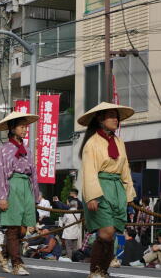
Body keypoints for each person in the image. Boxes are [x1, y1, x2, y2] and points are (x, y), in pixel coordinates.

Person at [78, 102, 137, 278]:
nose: (115, 119)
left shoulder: (119, 141)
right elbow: (89, 171)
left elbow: (125, 168)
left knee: (111, 234)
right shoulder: (92, 143)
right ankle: (95, 270)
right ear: (100, 119)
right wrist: (92, 196)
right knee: (106, 231)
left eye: (116, 116)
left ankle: (103, 271)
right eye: (111, 115)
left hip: (117, 188)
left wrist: (129, 194)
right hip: (99, 187)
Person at [0, 111, 40, 276]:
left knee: (23, 229)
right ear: (12, 128)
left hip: (26, 186)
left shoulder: (27, 149)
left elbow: (33, 172)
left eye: (25, 126)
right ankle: (17, 263)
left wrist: (36, 194)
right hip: (12, 186)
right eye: (21, 126)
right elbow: (0, 173)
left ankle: (4, 254)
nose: (25, 129)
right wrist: (2, 197)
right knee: (13, 228)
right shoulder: (4, 149)